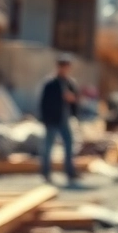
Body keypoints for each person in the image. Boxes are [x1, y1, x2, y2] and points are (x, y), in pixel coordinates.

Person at [39, 55, 80, 184]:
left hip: (64, 119)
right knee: (48, 147)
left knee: (69, 145)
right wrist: (44, 119)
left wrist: (72, 99)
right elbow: (44, 102)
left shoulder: (69, 83)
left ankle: (69, 171)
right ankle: (46, 172)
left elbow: (76, 100)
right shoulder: (50, 83)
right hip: (52, 119)